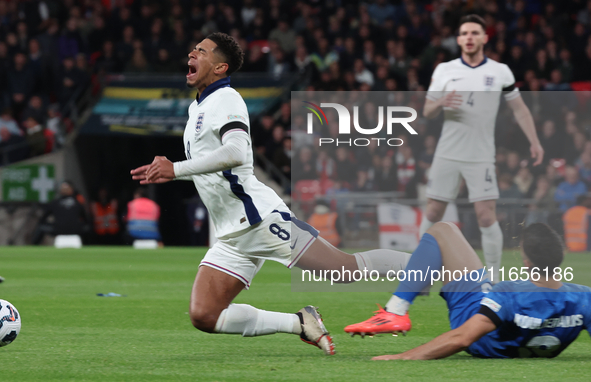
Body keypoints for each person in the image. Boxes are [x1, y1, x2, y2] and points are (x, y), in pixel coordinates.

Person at [131, 32, 410, 356]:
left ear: (221, 67)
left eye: (202, 51)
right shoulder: (199, 107)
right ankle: (300, 323)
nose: (192, 54)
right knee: (205, 315)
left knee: (344, 269)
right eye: (193, 49)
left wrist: (176, 169)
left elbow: (237, 151)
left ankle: (435, 266)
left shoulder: (227, 99)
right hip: (231, 233)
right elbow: (216, 170)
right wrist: (175, 172)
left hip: (259, 220)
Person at [346, 222, 591, 360]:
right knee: (436, 260)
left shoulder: (508, 292)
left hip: (475, 322)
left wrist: (400, 357)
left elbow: (462, 338)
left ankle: (396, 309)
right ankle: (411, 284)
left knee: (442, 231)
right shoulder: (584, 297)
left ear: (526, 263)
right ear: (561, 256)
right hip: (510, 332)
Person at [420, 15, 544, 283]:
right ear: (458, 39)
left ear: (485, 38)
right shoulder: (445, 70)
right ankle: (418, 273)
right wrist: (441, 101)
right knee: (432, 213)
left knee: (486, 216)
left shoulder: (500, 72)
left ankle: (494, 280)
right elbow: (427, 111)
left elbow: (520, 110)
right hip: (448, 152)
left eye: (475, 33)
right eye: (464, 33)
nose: (469, 37)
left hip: (481, 155)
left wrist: (534, 141)